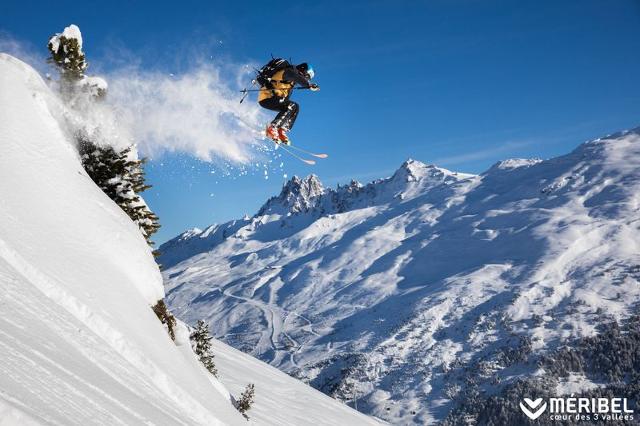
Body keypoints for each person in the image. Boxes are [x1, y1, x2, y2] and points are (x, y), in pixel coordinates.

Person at [258, 61, 319, 145]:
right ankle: (273, 128)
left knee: (295, 107)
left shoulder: (291, 83)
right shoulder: (288, 72)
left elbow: (287, 100)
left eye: (307, 78)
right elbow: (295, 76)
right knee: (291, 105)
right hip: (268, 98)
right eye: (306, 76)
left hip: (275, 99)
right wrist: (308, 85)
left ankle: (281, 129)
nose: (305, 78)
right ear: (302, 70)